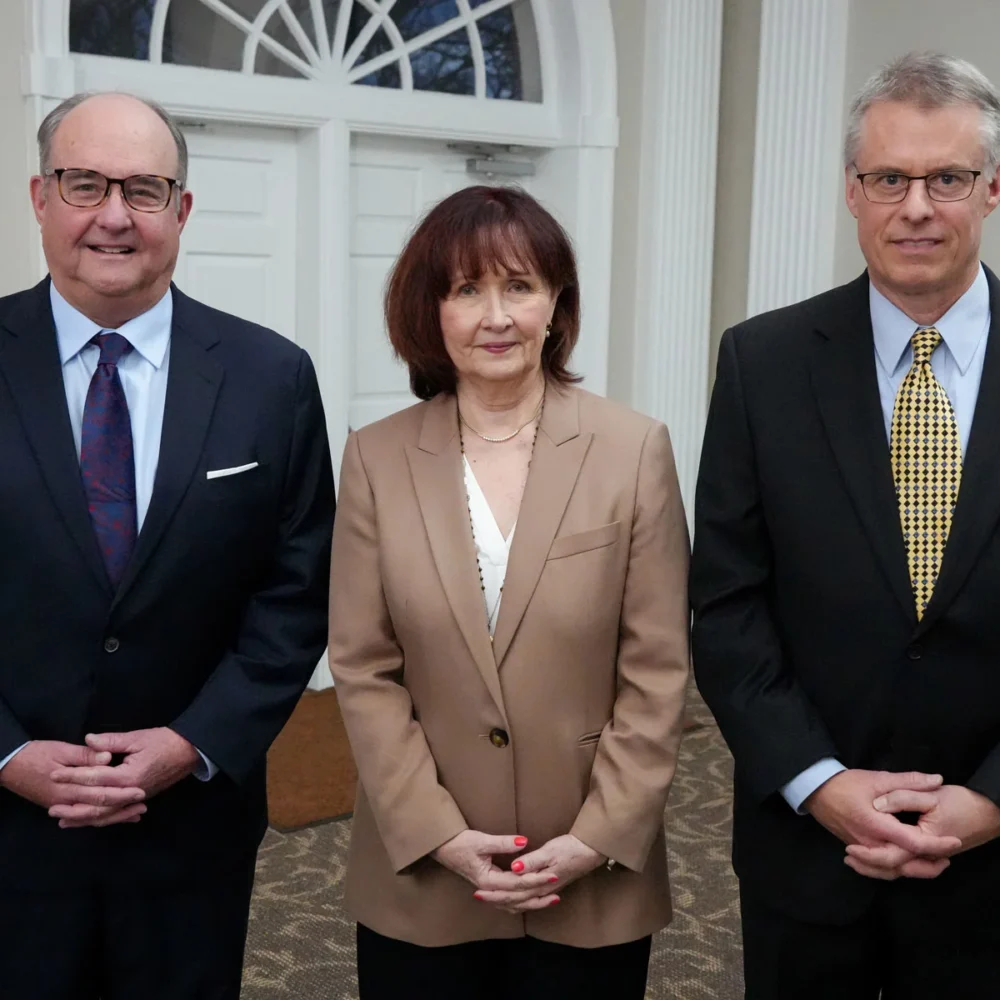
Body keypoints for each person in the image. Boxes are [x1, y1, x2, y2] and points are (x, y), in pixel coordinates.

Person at [0, 92, 335, 999]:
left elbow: (297, 593)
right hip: (7, 830)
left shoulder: (272, 378)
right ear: (40, 197)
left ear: (181, 210)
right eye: (85, 184)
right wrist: (7, 754)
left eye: (144, 189)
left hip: (191, 829)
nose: (114, 215)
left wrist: (193, 743)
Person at [327, 185, 689, 999]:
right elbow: (362, 666)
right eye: (467, 289)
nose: (497, 316)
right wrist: (438, 833)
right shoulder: (376, 460)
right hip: (423, 869)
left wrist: (598, 836)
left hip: (588, 870)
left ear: (556, 305)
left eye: (519, 286)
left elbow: (657, 670)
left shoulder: (633, 450)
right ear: (432, 311)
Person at [691, 52, 1000, 998]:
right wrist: (818, 782)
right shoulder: (762, 363)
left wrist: (990, 799)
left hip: (994, 866)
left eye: (946, 178)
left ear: (992, 190)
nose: (916, 206)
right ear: (852, 193)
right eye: (888, 178)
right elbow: (726, 607)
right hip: (806, 853)